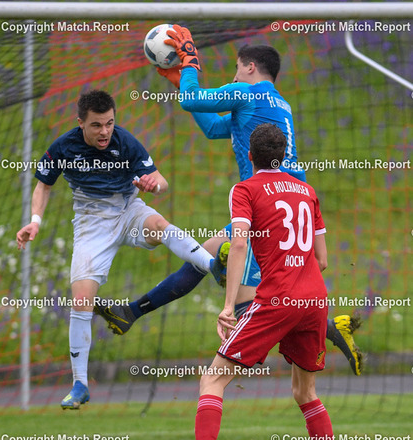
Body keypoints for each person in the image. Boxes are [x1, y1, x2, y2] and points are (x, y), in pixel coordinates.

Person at [95, 28, 362, 374]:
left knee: (246, 307)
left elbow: (193, 100)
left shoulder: (245, 92)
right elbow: (212, 127)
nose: (233, 76)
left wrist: (190, 63)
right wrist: (181, 83)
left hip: (268, 209)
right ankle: (130, 313)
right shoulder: (278, 104)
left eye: (237, 68)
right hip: (289, 204)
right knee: (202, 257)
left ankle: (225, 378)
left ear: (250, 68)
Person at [162, 123, 353, 440]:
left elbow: (238, 245)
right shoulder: (306, 191)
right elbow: (323, 260)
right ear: (284, 156)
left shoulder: (245, 189)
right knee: (305, 392)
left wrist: (228, 305)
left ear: (249, 156)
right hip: (315, 299)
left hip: (278, 298)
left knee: (213, 378)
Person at [16, 89, 227, 409]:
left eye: (109, 123)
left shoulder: (125, 142)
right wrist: (35, 221)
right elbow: (43, 185)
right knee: (81, 300)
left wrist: (154, 185)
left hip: (129, 211)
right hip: (91, 223)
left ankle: (213, 266)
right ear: (80, 123)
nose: (105, 132)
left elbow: (161, 181)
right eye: (97, 125)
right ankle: (80, 385)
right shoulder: (63, 147)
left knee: (159, 225)